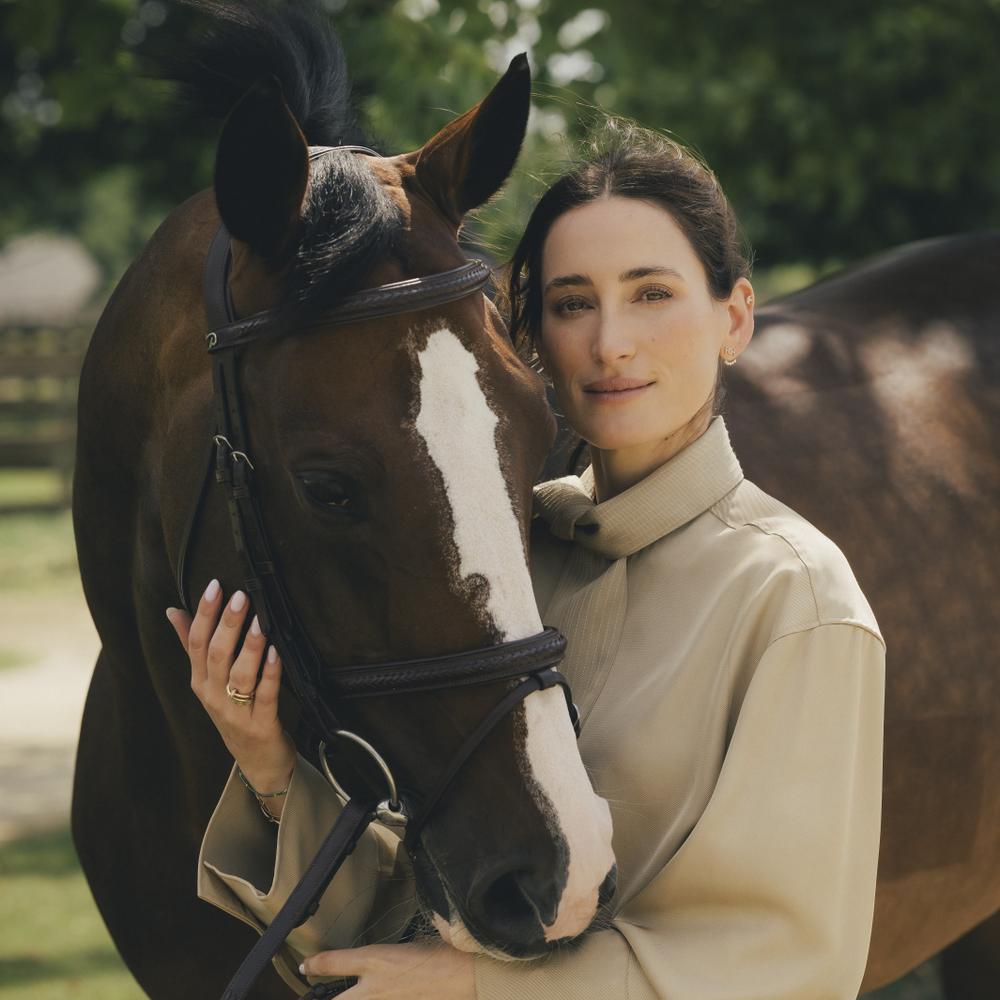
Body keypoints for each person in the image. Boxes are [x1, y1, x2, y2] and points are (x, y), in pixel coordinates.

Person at [167, 119, 885, 999]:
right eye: (572, 302)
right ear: (528, 333)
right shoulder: (505, 560)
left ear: (735, 318)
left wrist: (479, 992)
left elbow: (790, 969)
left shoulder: (796, 597)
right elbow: (408, 916)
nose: (610, 343)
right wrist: (274, 769)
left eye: (652, 293)